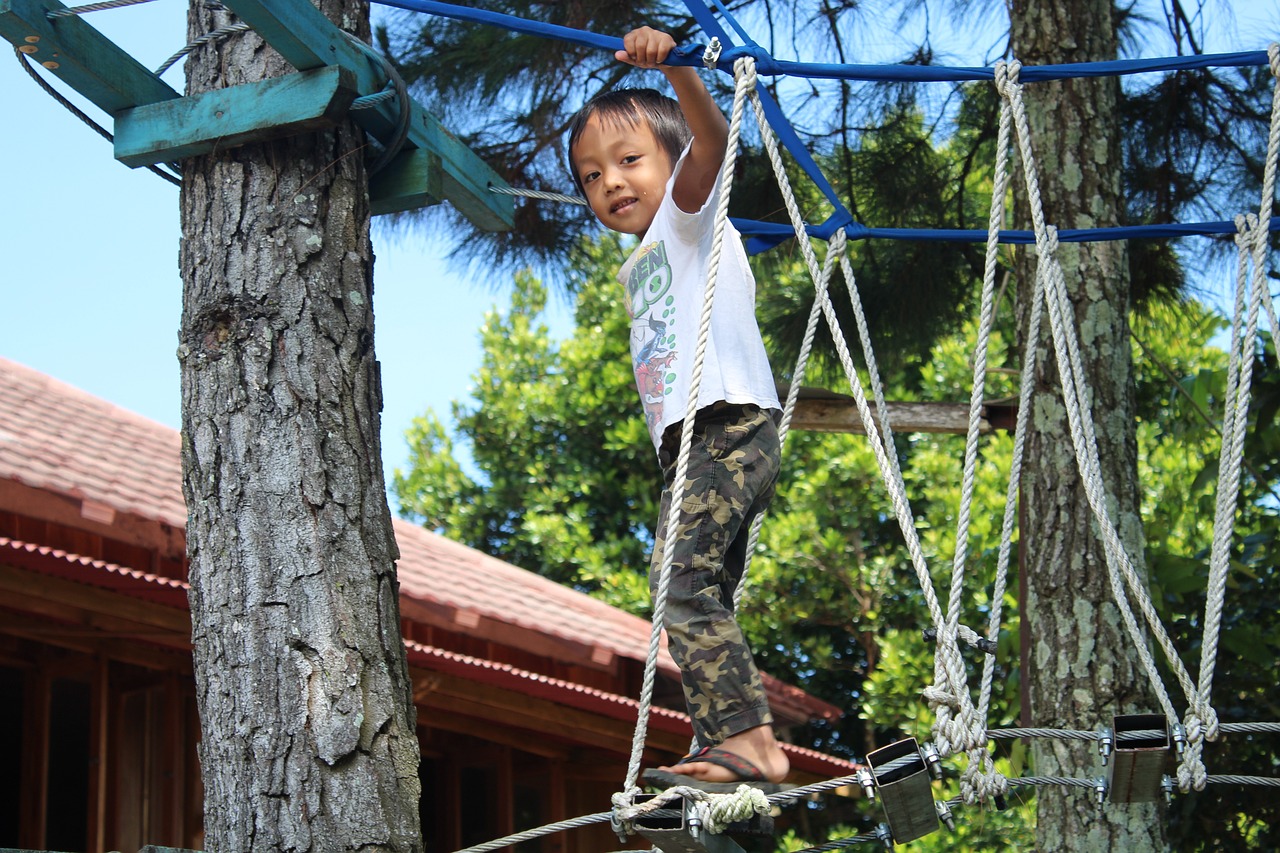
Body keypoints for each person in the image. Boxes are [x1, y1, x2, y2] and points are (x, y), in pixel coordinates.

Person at [567, 26, 789, 792]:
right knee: (696, 589)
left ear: (669, 163)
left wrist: (684, 72)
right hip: (694, 443)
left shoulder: (686, 223)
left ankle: (749, 741)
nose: (611, 184)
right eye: (593, 176)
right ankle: (733, 767)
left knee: (680, 582)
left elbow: (715, 144)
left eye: (629, 161)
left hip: (727, 423)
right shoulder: (644, 260)